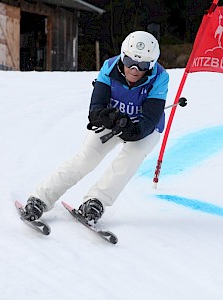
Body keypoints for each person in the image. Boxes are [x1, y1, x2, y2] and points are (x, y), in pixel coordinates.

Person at [23, 31, 169, 224]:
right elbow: (95, 109)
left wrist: (129, 129)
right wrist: (108, 118)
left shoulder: (160, 77)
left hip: (143, 128)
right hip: (113, 121)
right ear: (122, 56)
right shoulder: (109, 67)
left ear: (151, 65)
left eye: (142, 65)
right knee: (87, 157)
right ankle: (41, 198)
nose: (134, 69)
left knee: (129, 160)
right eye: (128, 61)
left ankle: (96, 201)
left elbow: (148, 121)